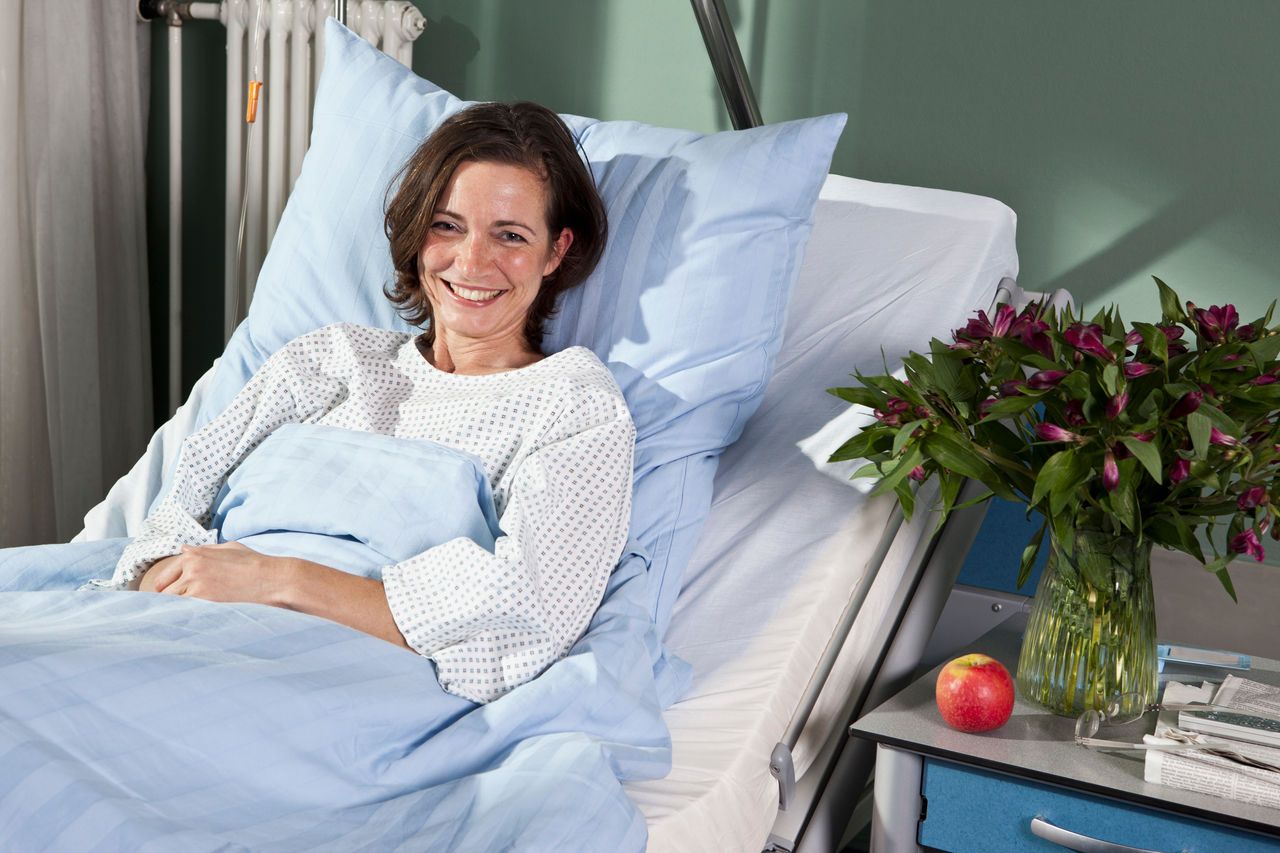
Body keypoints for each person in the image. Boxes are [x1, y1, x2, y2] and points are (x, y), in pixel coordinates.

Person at [88, 102, 631, 704]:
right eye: (447, 226)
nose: (472, 261)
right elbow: (178, 505)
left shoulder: (572, 403)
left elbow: (525, 613)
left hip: (332, 681)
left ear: (556, 251)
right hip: (182, 624)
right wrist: (164, 592)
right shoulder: (332, 359)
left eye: (510, 235)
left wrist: (277, 580)